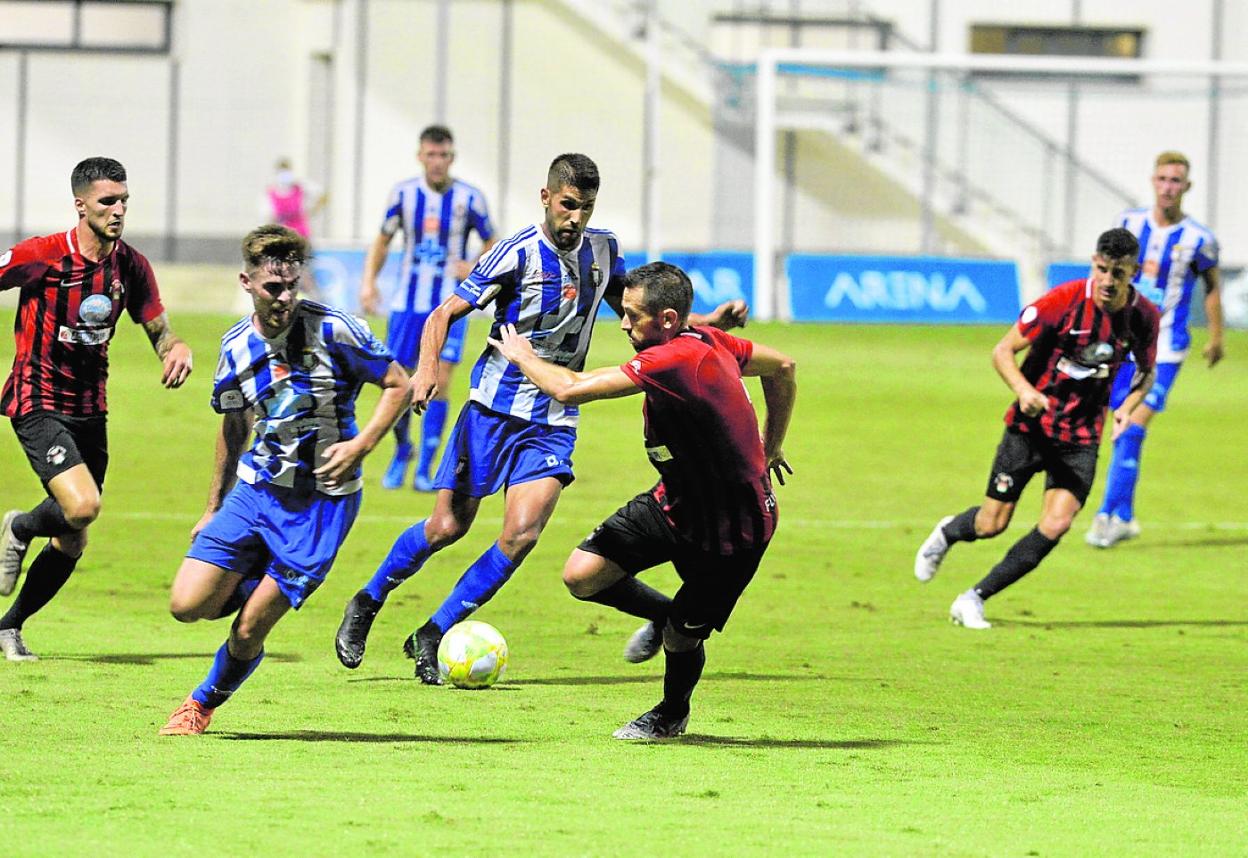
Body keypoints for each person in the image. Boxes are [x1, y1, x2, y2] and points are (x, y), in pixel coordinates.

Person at [334, 153, 748, 683]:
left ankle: (433, 632)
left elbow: (635, 306)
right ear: (547, 197)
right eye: (569, 205)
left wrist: (706, 321)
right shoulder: (514, 254)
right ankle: (368, 600)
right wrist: (427, 368)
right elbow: (443, 315)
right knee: (446, 527)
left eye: (587, 207)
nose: (577, 217)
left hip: (552, 417)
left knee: (522, 534)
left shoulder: (604, 250)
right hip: (491, 409)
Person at [488, 261, 796, 739]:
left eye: (632, 315)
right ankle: (662, 613)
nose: (624, 323)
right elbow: (783, 368)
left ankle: (671, 714)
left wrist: (521, 356)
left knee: (683, 635)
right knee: (582, 575)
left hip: (734, 527)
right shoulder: (705, 340)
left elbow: (569, 389)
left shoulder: (671, 359)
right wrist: (771, 442)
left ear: (667, 320)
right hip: (674, 502)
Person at [158, 225, 409, 735]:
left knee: (248, 629)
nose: (286, 297)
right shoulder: (234, 346)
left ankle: (200, 704)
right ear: (247, 282)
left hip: (321, 507)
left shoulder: (336, 329)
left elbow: (397, 384)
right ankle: (255, 577)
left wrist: (361, 446)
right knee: (186, 605)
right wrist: (213, 507)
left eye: (294, 284)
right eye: (275, 287)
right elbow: (233, 424)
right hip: (255, 493)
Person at [914, 228, 1160, 629]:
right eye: (1102, 269)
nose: (1108, 281)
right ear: (1093, 264)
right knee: (992, 524)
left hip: (1081, 435)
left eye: (1118, 273)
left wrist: (1127, 408)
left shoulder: (1144, 316)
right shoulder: (1060, 302)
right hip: (1031, 427)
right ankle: (948, 532)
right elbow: (1003, 350)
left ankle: (973, 598)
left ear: (1134, 272)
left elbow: (1146, 374)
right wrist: (1023, 389)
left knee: (1057, 523)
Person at [0, 156, 193, 663]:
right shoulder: (41, 255)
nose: (118, 210)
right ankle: (20, 528)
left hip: (90, 407)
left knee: (73, 539)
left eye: (124, 200)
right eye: (108, 201)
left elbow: (156, 324)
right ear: (80, 204)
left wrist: (172, 348)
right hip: (36, 399)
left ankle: (10, 625)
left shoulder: (128, 264)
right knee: (82, 507)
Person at [1085, 151, 1225, 548]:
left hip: (1166, 348)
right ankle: (1124, 517)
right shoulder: (1128, 224)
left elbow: (1212, 286)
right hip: (1124, 344)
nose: (1168, 187)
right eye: (1163, 179)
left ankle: (1106, 518)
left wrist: (1216, 336)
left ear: (1187, 187)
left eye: (1176, 180)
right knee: (1119, 428)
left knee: (1130, 426)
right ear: (1153, 181)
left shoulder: (1199, 239)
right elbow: (1104, 273)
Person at [361, 125, 498, 491]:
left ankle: (426, 466)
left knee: (440, 382)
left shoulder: (470, 198)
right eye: (431, 155)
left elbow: (493, 243)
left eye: (444, 155)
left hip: (451, 304)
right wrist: (368, 282)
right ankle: (403, 448)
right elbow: (383, 239)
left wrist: (476, 267)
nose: (437, 162)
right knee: (402, 381)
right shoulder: (403, 194)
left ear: (452, 158)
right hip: (408, 302)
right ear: (420, 156)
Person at [262, 158, 327, 242]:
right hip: (282, 236)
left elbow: (323, 196)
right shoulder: (271, 192)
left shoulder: (301, 186)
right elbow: (268, 217)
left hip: (301, 234)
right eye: (281, 171)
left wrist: (313, 211)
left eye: (286, 170)